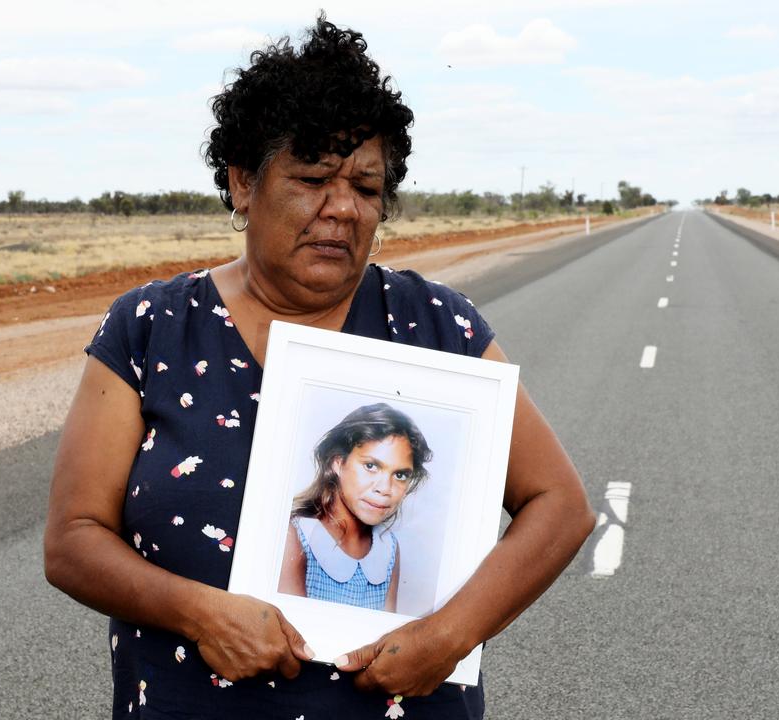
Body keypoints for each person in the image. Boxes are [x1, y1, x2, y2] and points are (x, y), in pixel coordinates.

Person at [44, 14, 594, 719]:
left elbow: (562, 507)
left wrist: (451, 635)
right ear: (243, 183)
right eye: (311, 179)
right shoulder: (151, 329)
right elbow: (73, 540)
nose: (341, 208)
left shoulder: (436, 324)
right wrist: (200, 613)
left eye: (366, 188)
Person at [278, 402, 431, 612]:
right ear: (337, 463)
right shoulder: (295, 535)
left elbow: (386, 638)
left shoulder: (389, 549)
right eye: (371, 466)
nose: (385, 489)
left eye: (400, 475)